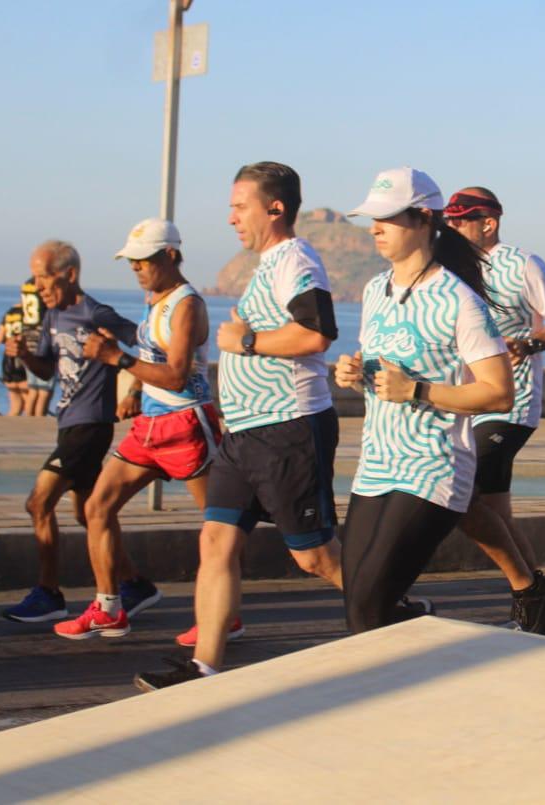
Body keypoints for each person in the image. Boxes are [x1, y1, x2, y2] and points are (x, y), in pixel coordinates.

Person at [135, 162, 345, 690]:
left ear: (274, 208)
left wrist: (245, 342)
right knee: (215, 542)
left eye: (239, 206)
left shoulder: (295, 259)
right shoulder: (268, 264)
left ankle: (396, 610)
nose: (231, 217)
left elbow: (317, 333)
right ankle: (203, 665)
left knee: (315, 557)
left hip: (288, 427)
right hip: (244, 433)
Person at [336, 167, 514, 635]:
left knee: (367, 611)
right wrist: (354, 374)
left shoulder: (459, 300)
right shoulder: (375, 290)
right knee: (359, 606)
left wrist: (419, 390)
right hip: (376, 463)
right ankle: (419, 633)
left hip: (432, 467)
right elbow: (382, 374)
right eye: (372, 218)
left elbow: (500, 391)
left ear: (424, 219)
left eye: (387, 217)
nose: (374, 228)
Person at [53, 219, 222, 641]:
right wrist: (134, 390)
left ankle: (224, 616)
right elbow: (152, 355)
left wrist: (117, 358)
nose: (136, 268)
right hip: (149, 427)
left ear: (170, 255)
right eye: (131, 262)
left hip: (186, 424)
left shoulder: (187, 305)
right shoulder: (154, 298)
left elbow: (178, 375)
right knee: (97, 507)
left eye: (143, 261)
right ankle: (109, 608)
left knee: (219, 525)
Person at [444, 187, 545, 635]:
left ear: (489, 223)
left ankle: (532, 595)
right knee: (496, 512)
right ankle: (540, 606)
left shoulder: (522, 264)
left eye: (462, 219)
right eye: (449, 219)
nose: (452, 226)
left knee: (463, 493)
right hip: (467, 402)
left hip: (510, 403)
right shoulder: (450, 267)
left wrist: (529, 343)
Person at [2, 241, 159, 623]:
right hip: (68, 423)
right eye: (35, 278)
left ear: (69, 275)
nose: (37, 286)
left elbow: (148, 344)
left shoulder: (95, 313)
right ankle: (135, 583)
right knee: (90, 514)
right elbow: (46, 370)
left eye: (44, 277)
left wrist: (135, 389)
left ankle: (49, 593)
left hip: (91, 426)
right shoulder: (53, 316)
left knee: (38, 503)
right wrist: (24, 354)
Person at [19, 273, 54, 416]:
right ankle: (39, 420)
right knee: (44, 390)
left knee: (33, 388)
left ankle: (29, 420)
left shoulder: (26, 284)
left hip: (28, 334)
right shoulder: (43, 283)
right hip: (42, 334)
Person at [0, 302, 28, 415]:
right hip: (23, 358)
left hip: (8, 359)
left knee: (15, 406)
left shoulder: (9, 313)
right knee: (29, 403)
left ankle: (7, 425)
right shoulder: (29, 315)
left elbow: (0, 339)